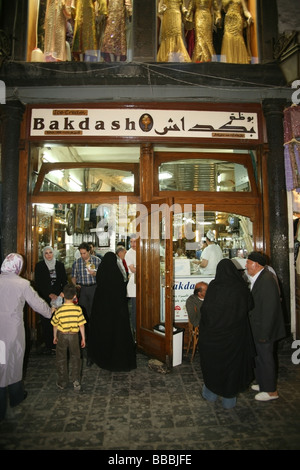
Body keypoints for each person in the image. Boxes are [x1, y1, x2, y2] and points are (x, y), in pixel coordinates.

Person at [0, 253, 52, 421]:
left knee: (0, 363)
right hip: (12, 330)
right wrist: (51, 312)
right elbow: (37, 303)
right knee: (14, 361)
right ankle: (15, 396)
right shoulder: (22, 284)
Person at [198, 258, 255, 409]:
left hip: (213, 337)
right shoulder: (240, 288)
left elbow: (205, 311)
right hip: (234, 337)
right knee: (233, 367)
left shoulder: (214, 287)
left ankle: (210, 394)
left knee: (213, 365)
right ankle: (229, 400)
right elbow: (249, 305)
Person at [246, 251, 286, 402]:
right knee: (259, 358)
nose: (246, 265)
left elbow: (270, 310)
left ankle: (270, 391)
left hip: (264, 329)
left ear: (256, 265)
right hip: (258, 327)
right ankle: (263, 383)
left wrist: (264, 334)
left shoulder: (267, 280)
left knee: (266, 358)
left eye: (248, 263)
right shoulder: (259, 277)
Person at [88, 252, 136, 371]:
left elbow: (99, 292)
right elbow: (121, 294)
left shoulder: (101, 274)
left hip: (103, 313)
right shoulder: (117, 275)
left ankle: (100, 356)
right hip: (117, 314)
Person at [51, 283, 86, 391]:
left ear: (63, 295)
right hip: (74, 336)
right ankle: (75, 380)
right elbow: (81, 325)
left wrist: (54, 336)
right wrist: (83, 338)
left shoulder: (59, 310)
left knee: (61, 358)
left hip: (62, 335)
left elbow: (55, 325)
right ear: (75, 296)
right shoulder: (78, 309)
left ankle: (62, 382)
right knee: (76, 357)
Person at [71, 242, 101, 366]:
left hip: (94, 288)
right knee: (83, 314)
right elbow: (73, 276)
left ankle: (95, 336)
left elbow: (102, 275)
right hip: (82, 289)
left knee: (94, 313)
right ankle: (85, 337)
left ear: (89, 251)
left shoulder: (97, 260)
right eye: (81, 253)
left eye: (84, 253)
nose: (83, 255)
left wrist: (94, 273)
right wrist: (74, 285)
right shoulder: (77, 262)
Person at [34, 246, 68, 354]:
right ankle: (49, 344)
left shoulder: (59, 265)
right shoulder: (39, 266)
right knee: (47, 320)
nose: (49, 255)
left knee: (59, 320)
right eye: (46, 253)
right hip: (45, 297)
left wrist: (60, 294)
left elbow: (64, 281)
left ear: (54, 253)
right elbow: (38, 283)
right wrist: (49, 294)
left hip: (58, 297)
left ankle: (59, 343)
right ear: (43, 255)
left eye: (50, 253)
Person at [221, 0, 253, 64]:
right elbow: (223, 8)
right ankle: (229, 61)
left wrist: (249, 16)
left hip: (238, 20)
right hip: (229, 20)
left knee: (238, 38)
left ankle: (240, 61)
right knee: (228, 38)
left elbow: (245, 10)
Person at [125, 234, 137, 335]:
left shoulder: (141, 251)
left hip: (142, 283)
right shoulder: (129, 254)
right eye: (131, 242)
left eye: (135, 241)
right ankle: (135, 330)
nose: (133, 244)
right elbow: (133, 269)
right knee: (135, 308)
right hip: (134, 283)